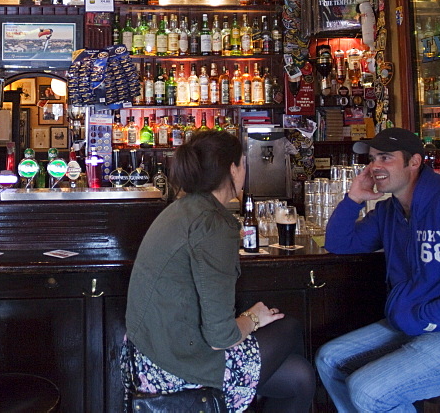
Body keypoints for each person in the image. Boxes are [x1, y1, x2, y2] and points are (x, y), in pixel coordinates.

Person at [315, 128, 440, 412]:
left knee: (369, 391)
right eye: (371, 159)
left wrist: (425, 318)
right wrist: (354, 199)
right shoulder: (390, 212)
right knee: (329, 359)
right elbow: (339, 243)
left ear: (415, 162)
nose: (375, 167)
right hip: (416, 327)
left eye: (385, 157)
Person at [123, 130, 316, 413]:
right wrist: (253, 318)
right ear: (233, 169)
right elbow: (220, 338)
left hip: (149, 357)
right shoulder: (214, 223)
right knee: (288, 327)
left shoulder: (181, 209)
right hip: (178, 368)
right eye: (244, 163)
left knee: (300, 377)